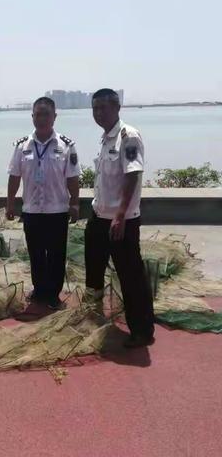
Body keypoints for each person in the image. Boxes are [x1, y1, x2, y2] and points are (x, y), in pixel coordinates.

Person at [85, 88, 154, 348]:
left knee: (130, 275)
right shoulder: (105, 139)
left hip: (121, 221)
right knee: (93, 269)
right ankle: (93, 316)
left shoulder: (128, 136)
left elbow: (132, 175)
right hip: (99, 217)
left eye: (104, 108)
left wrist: (121, 215)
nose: (99, 113)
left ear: (117, 107)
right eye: (95, 109)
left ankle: (142, 330)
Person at [6, 97, 80, 310]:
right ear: (32, 117)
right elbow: (14, 176)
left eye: (46, 114)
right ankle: (39, 290)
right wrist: (10, 204)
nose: (41, 118)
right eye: (37, 114)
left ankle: (53, 294)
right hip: (31, 210)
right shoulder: (22, 146)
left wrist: (74, 204)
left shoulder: (66, 145)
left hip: (57, 210)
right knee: (36, 253)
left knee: (57, 255)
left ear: (54, 117)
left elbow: (72, 177)